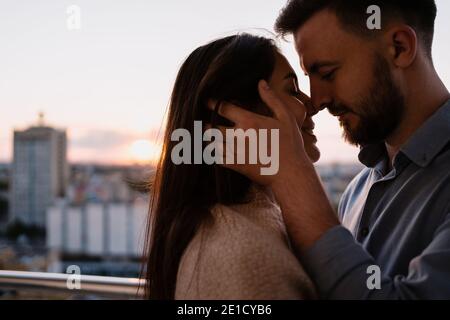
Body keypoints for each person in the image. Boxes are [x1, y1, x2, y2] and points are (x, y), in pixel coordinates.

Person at [211, 0, 450, 299]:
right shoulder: (357, 191)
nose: (318, 100)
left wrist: (292, 176)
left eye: (327, 73)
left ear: (399, 47)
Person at [143, 33, 320, 299]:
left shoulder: (250, 224)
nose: (312, 104)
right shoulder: (244, 255)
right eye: (292, 90)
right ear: (236, 117)